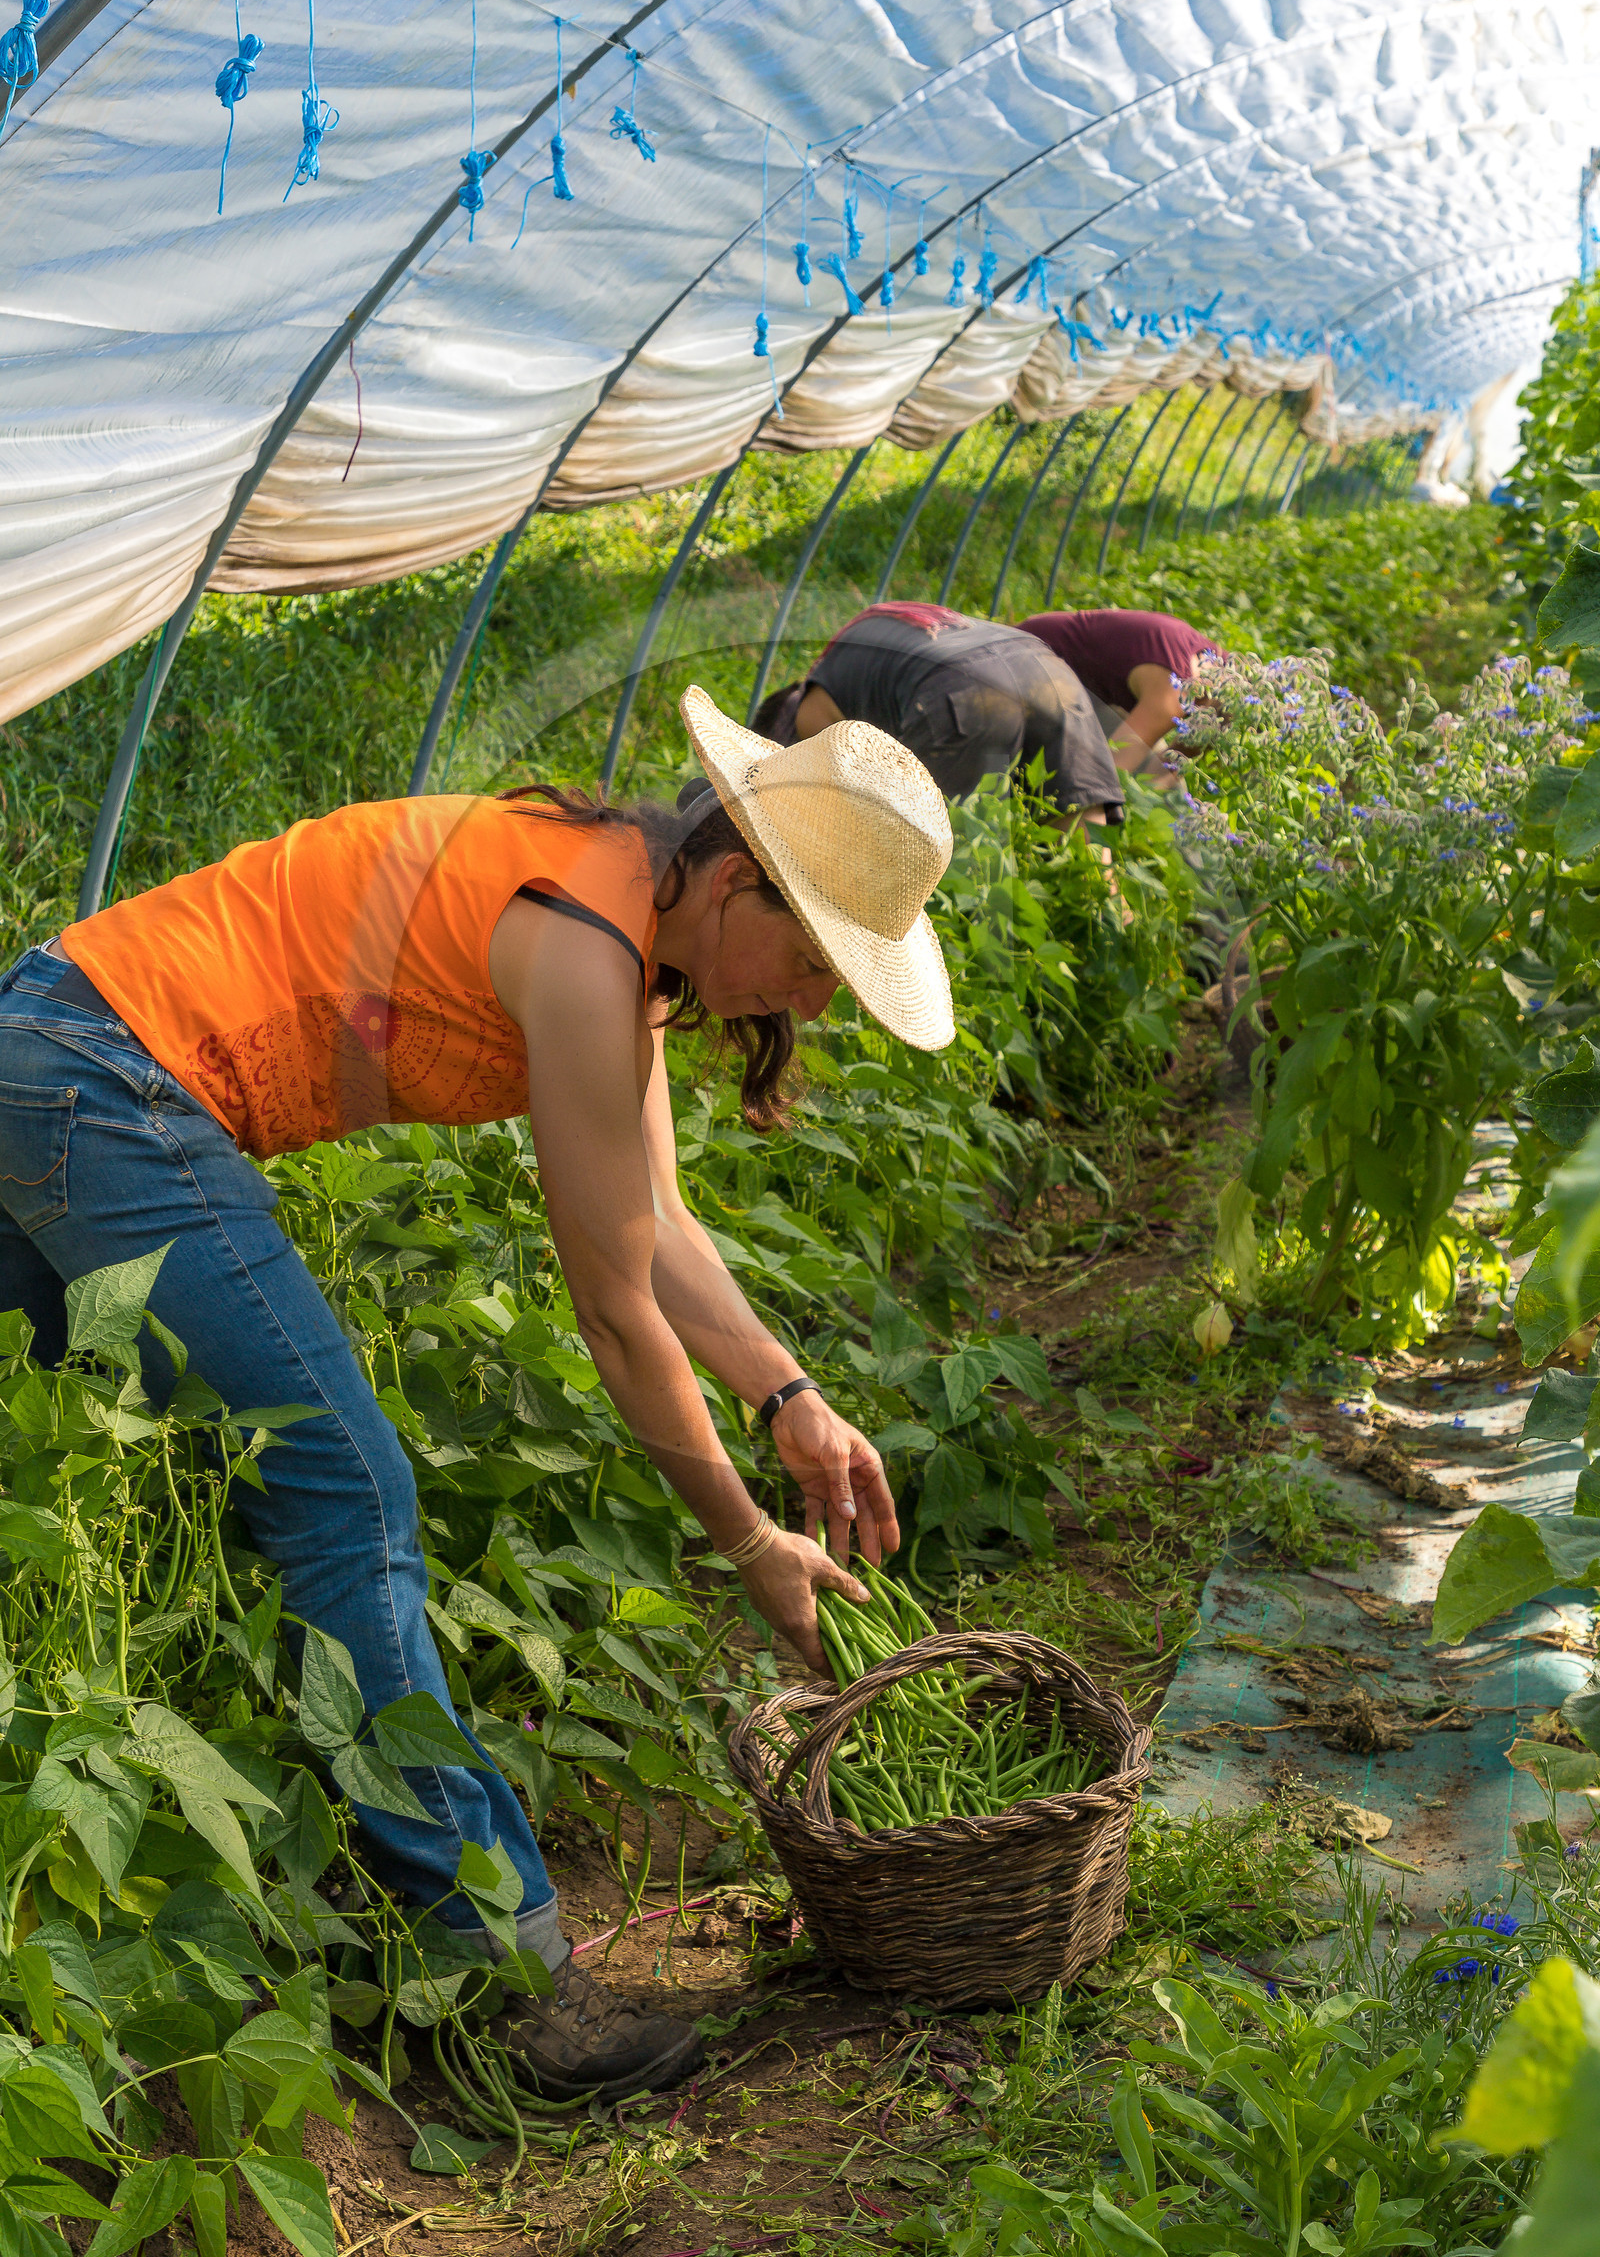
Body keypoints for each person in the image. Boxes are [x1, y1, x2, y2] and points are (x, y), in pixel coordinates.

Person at [0, 687, 955, 2103]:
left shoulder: (618, 917)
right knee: (345, 1490)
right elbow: (618, 1317)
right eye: (816, 962)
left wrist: (787, 1398)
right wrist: (753, 1547)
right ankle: (505, 1980)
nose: (812, 1004)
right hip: (105, 1080)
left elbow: (660, 1229)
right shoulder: (581, 946)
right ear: (743, 881)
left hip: (56, 1049)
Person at [754, 600, 1124, 830]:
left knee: (936, 860)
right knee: (1087, 857)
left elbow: (830, 780)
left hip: (967, 687)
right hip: (1047, 669)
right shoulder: (867, 641)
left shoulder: (806, 705)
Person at [1015, 606, 1227, 773]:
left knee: (1167, 794)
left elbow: (1167, 771)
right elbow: (1115, 770)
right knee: (1092, 802)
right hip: (1024, 660)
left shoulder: (1212, 664)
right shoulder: (1174, 690)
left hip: (1083, 693)